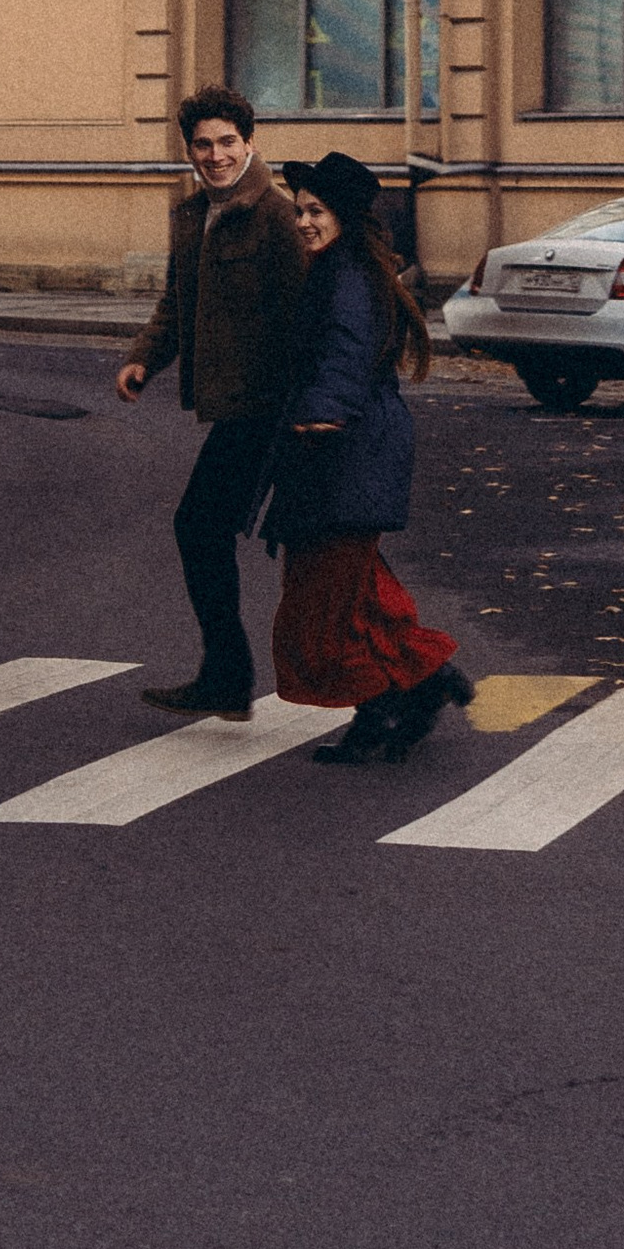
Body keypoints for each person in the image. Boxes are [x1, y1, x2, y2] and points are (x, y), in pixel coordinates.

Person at [262, 151, 469, 767]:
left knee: (321, 606)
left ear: (345, 217)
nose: (304, 222)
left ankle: (392, 697)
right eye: (300, 211)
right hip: (341, 451)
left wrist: (322, 409)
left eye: (316, 211)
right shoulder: (337, 267)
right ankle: (416, 687)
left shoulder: (346, 275)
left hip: (345, 449)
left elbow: (347, 350)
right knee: (360, 595)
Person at [116, 85, 309, 719]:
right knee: (214, 529)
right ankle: (227, 673)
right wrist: (145, 358)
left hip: (273, 408)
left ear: (250, 143)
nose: (216, 155)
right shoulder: (194, 214)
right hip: (240, 408)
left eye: (228, 142)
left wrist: (312, 411)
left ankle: (229, 674)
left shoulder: (277, 217)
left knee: (209, 527)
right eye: (203, 145)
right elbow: (176, 302)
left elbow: (307, 316)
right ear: (189, 150)